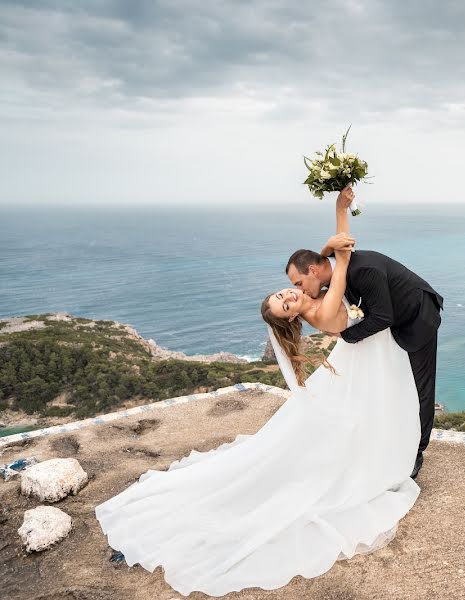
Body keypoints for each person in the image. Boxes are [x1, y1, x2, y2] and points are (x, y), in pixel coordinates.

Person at [94, 187, 421, 597]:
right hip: (367, 355)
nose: (289, 294)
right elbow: (339, 264)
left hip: (368, 355)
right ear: (291, 318)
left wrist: (340, 210)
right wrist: (332, 236)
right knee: (372, 412)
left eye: (285, 292)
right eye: (285, 301)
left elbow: (334, 262)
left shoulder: (314, 301)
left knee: (369, 412)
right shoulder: (321, 310)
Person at [285, 188, 443, 480]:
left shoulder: (363, 271)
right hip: (395, 317)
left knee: (421, 387)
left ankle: (417, 453)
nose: (298, 290)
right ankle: (399, 439)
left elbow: (383, 317)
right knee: (399, 384)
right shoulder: (337, 265)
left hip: (418, 316)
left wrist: (346, 339)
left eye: (298, 282)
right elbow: (335, 257)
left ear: (312, 271)